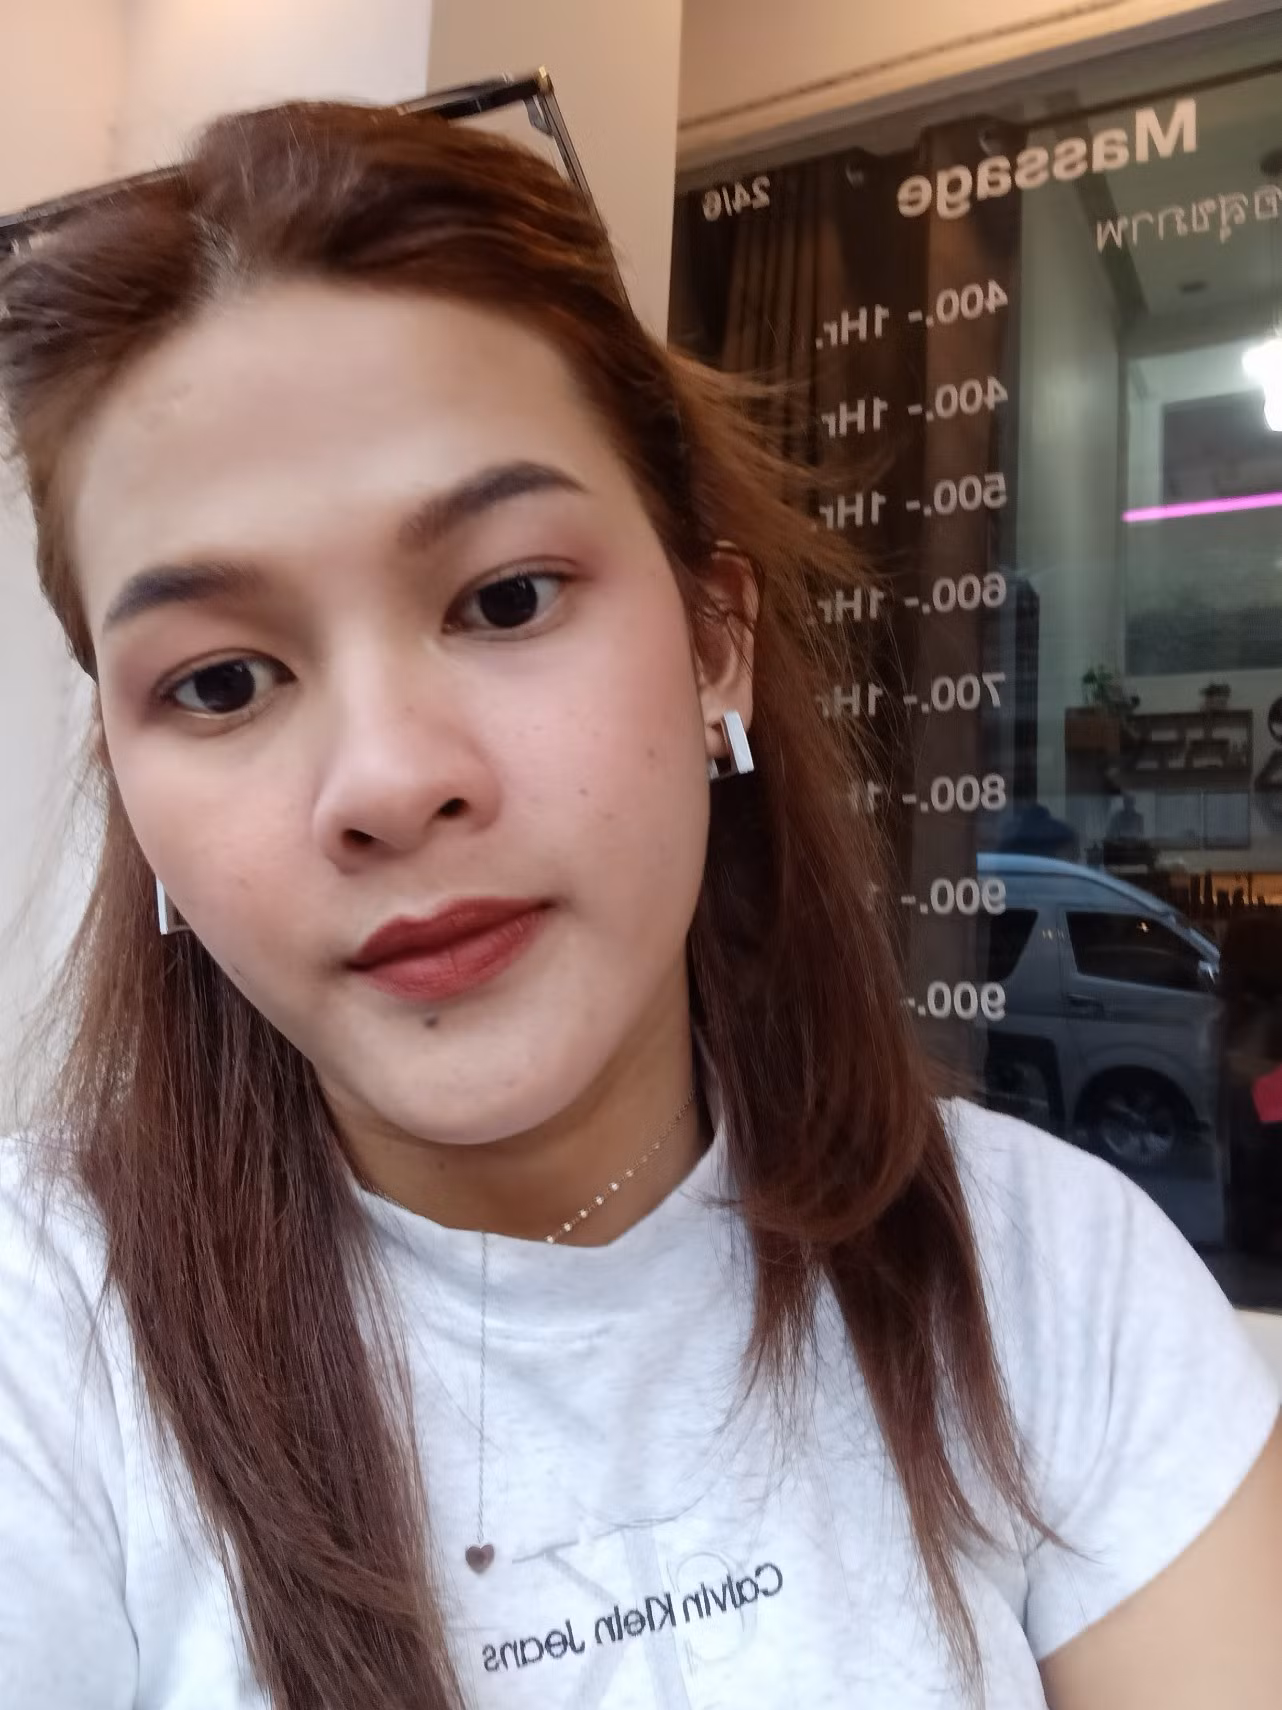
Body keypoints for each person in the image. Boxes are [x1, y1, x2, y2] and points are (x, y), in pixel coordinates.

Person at [0, 100, 1279, 1710]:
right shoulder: (44, 1351)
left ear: (712, 642)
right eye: (220, 681)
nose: (388, 781)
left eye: (505, 597)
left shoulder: (1052, 1283)